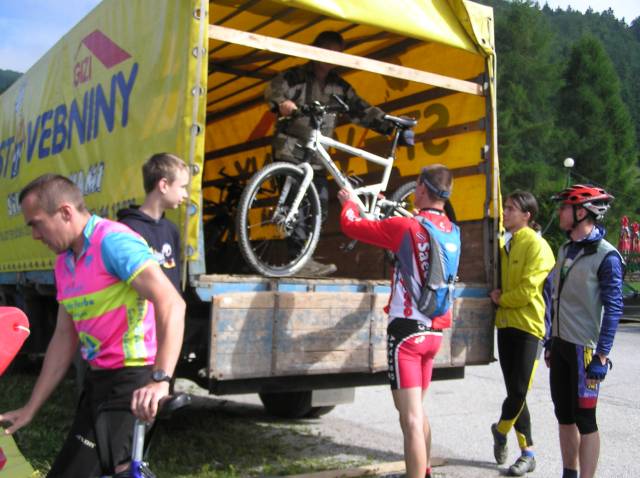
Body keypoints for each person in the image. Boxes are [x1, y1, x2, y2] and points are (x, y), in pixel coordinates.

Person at [0, 174, 186, 477]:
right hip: (97, 381)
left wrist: (161, 379)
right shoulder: (64, 262)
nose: (34, 235)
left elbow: (172, 303)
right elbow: (64, 336)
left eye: (37, 223)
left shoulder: (113, 241)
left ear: (65, 212)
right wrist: (31, 407)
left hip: (132, 381)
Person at [338, 164, 459, 478]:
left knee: (410, 419)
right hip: (433, 333)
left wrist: (349, 203)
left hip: (406, 334)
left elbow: (353, 226)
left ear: (422, 188)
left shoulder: (405, 227)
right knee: (413, 411)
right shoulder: (451, 230)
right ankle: (425, 470)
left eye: (417, 185)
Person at [265, 30, 396, 276]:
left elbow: (360, 109)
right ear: (316, 49)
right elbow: (274, 90)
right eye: (327, 51)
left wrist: (389, 125)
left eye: (337, 54)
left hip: (317, 157)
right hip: (290, 150)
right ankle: (299, 261)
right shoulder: (295, 76)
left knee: (320, 206)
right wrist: (283, 103)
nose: (330, 57)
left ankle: (305, 257)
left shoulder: (339, 86)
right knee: (295, 205)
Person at [547, 184, 623, 478]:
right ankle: (569, 473)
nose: (560, 212)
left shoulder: (607, 256)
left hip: (585, 349)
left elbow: (614, 308)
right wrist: (550, 340)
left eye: (564, 207)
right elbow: (555, 297)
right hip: (560, 343)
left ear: (581, 213)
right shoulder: (565, 249)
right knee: (564, 415)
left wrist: (602, 356)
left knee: (585, 419)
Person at [489, 191, 555, 476]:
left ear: (527, 215)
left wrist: (501, 299)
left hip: (530, 327)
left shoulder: (538, 246)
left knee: (519, 391)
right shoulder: (506, 244)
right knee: (515, 394)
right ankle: (528, 453)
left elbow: (528, 291)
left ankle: (500, 430)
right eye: (505, 207)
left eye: (511, 209)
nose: (505, 212)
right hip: (505, 327)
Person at [118, 153, 189, 293]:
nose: (186, 194)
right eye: (182, 187)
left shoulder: (171, 230)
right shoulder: (128, 229)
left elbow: (175, 284)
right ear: (163, 185)